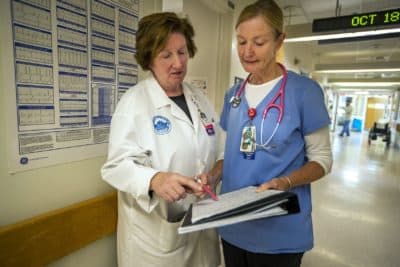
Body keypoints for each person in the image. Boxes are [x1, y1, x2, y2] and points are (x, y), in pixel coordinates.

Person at [205, 1, 333, 266]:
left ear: (279, 41)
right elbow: (227, 153)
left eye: (259, 42)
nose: (247, 52)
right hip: (233, 225)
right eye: (241, 42)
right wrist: (213, 175)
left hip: (280, 232)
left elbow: (322, 160)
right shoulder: (234, 97)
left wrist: (285, 181)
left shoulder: (304, 92)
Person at [101, 12, 222, 267]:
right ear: (149, 59)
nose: (177, 63)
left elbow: (220, 150)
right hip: (155, 243)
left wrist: (212, 175)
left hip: (201, 231)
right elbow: (115, 166)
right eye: (166, 55)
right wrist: (155, 179)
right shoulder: (134, 103)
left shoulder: (199, 99)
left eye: (182, 52)